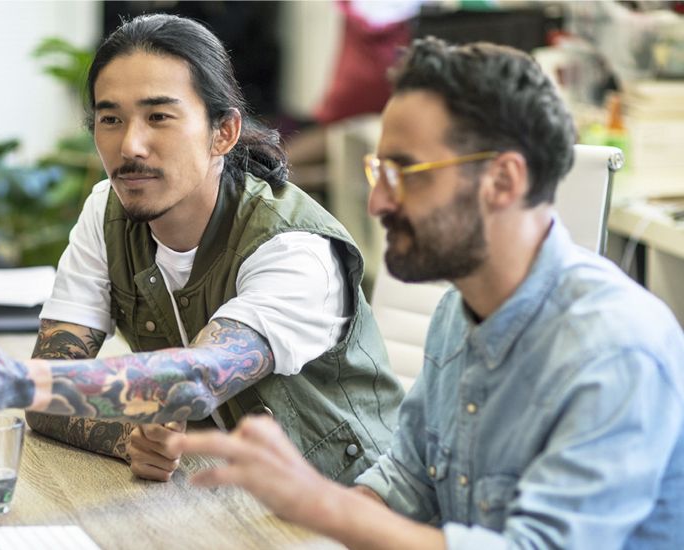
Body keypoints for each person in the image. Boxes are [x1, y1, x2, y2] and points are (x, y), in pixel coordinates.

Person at [171, 37, 684, 549]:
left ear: (503, 181)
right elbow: (407, 480)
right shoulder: (459, 313)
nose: (377, 203)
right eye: (379, 172)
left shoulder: (614, 348)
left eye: (404, 174)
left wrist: (321, 503)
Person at [0, 13, 403, 484]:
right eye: (110, 119)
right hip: (223, 497)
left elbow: (198, 379)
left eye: (159, 116)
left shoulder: (292, 249)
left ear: (223, 132)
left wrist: (19, 383)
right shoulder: (107, 211)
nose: (130, 145)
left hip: (344, 505)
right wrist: (131, 438)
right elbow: (50, 394)